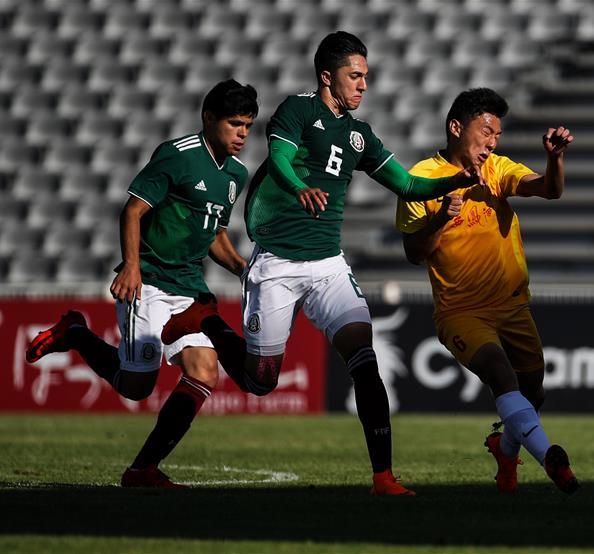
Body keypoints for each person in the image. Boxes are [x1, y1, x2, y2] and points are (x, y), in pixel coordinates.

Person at [160, 31, 479, 496]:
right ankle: (208, 320)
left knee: (364, 360)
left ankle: (383, 477)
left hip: (328, 264)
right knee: (261, 382)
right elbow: (281, 158)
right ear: (328, 76)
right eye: (356, 76)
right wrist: (298, 188)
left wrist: (452, 182)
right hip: (277, 264)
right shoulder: (298, 109)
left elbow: (408, 185)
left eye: (366, 77)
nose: (364, 85)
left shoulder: (359, 134)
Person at [25, 79, 258, 488]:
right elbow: (132, 211)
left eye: (248, 126)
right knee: (137, 386)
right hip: (148, 282)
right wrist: (131, 266)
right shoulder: (176, 156)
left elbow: (214, 234)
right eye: (234, 123)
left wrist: (242, 266)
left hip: (189, 288)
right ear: (208, 119)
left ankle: (142, 469)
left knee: (204, 372)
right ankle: (76, 333)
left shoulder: (235, 175)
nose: (242, 133)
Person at [395, 88, 580, 494]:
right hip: (461, 311)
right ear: (456, 127)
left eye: (497, 134)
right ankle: (551, 458)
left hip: (513, 307)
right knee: (500, 372)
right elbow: (414, 253)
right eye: (486, 132)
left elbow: (549, 189)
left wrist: (554, 158)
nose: (493, 142)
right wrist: (443, 215)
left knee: (533, 391)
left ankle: (505, 446)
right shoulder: (421, 180)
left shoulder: (497, 169)